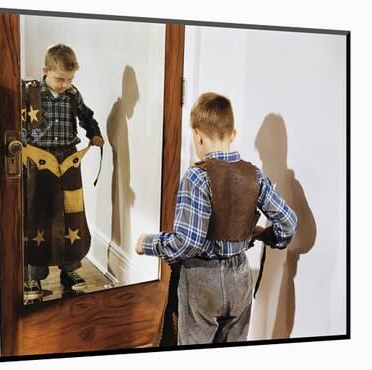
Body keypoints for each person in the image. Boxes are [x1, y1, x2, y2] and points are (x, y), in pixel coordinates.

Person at [135, 92, 298, 344]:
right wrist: (266, 235)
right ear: (233, 133)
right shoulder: (255, 175)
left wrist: (146, 243)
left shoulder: (197, 176)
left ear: (197, 135)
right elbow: (288, 222)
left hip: (203, 278)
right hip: (240, 276)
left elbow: (188, 243)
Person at [21, 44, 105, 301]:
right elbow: (14, 119)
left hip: (68, 159)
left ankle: (70, 270)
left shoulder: (73, 95)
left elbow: (86, 117)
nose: (65, 84)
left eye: (69, 79)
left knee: (72, 214)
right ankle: (32, 275)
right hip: (39, 160)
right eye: (60, 78)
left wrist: (95, 133)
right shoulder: (30, 92)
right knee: (39, 215)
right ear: (45, 70)